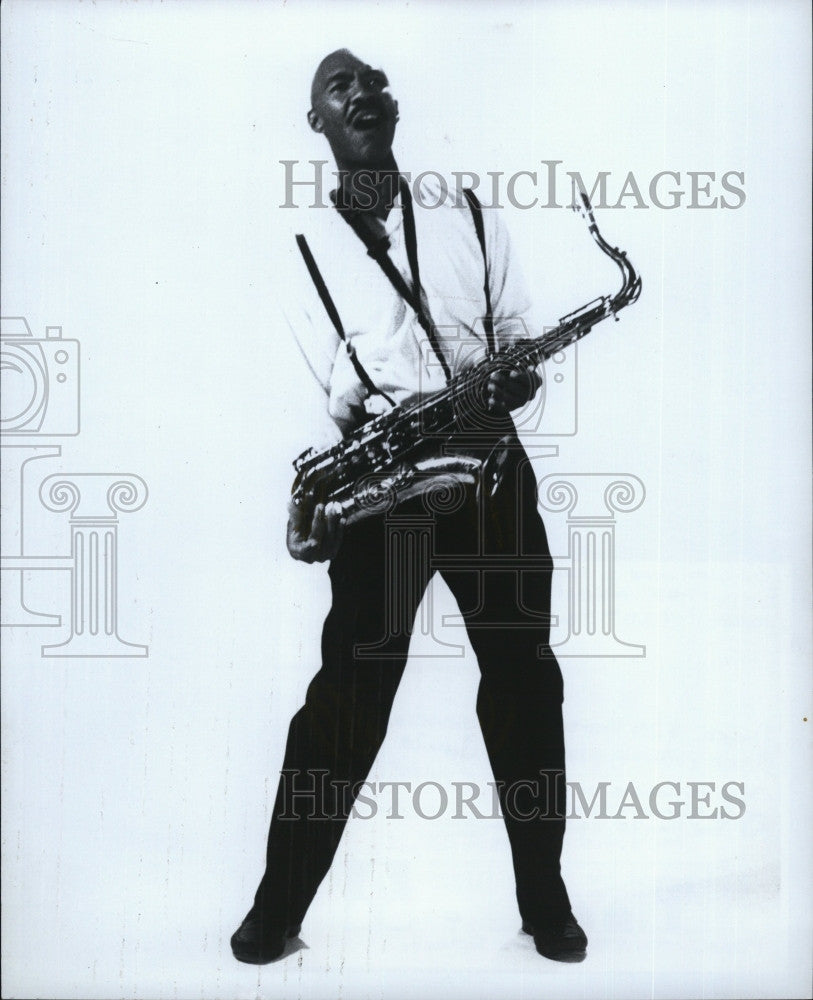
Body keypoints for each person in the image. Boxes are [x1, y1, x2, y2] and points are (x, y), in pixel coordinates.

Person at [231, 48, 588, 965]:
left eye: (376, 83)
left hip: (494, 478)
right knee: (345, 702)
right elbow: (327, 403)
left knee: (524, 683)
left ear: (395, 108)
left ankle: (543, 898)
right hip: (388, 489)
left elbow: (517, 342)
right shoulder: (299, 248)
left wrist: (508, 381)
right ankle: (279, 906)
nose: (365, 94)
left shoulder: (466, 209)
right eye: (339, 88)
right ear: (317, 123)